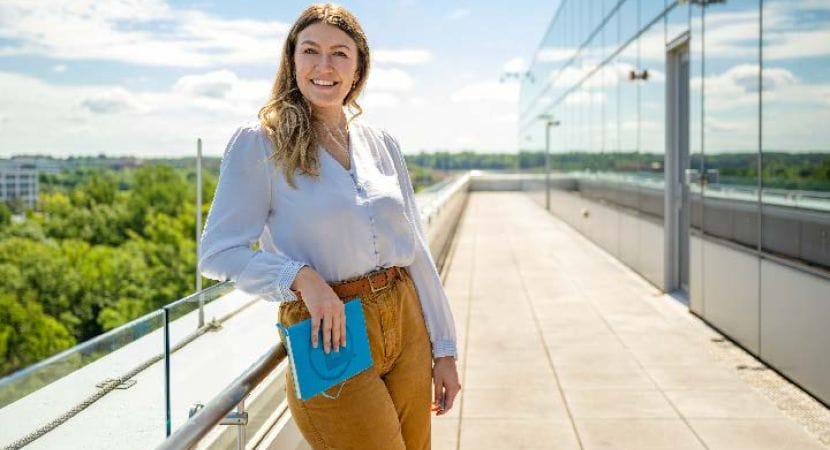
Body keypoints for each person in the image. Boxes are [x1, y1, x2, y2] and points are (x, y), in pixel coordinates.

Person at [199, 3, 461, 449]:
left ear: (358, 67)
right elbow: (218, 253)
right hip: (328, 330)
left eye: (340, 53)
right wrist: (301, 279)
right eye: (311, 51)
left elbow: (414, 249)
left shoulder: (381, 143)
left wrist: (445, 348)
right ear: (292, 60)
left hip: (405, 316)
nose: (325, 66)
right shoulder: (260, 141)